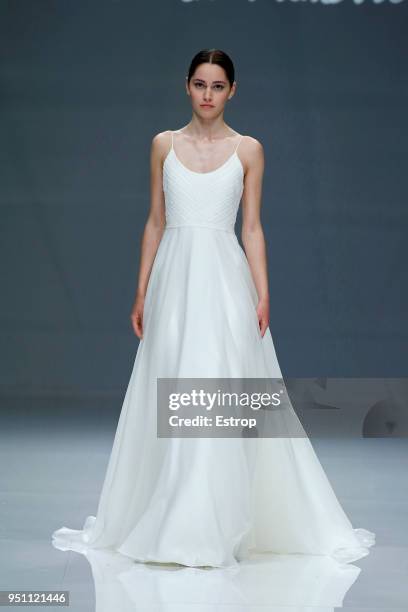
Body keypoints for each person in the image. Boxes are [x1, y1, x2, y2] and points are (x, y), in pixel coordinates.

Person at [52, 48, 375, 568]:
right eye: (200, 84)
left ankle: (204, 522)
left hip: (225, 280)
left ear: (232, 91)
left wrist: (263, 292)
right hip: (174, 280)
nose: (208, 95)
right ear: (186, 86)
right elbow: (155, 221)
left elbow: (251, 227)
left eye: (217, 86)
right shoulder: (164, 144)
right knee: (174, 384)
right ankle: (180, 515)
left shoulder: (249, 150)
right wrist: (140, 291)